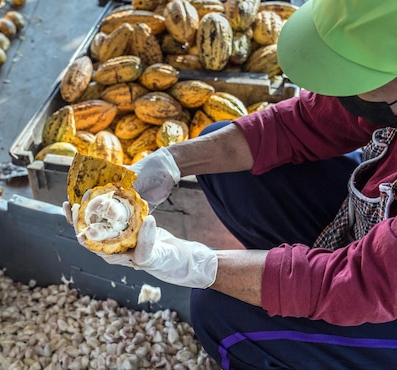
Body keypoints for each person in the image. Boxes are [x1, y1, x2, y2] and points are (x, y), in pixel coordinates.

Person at [63, 0, 397, 368]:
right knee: (229, 158)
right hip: (377, 247)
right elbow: (300, 124)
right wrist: (171, 162)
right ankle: (281, 296)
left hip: (383, 295)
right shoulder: (386, 94)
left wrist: (197, 264)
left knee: (220, 311)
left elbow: (357, 283)